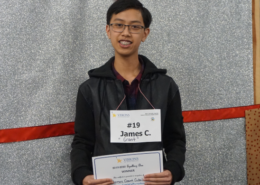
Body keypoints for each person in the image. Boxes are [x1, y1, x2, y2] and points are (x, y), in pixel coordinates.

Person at [70, 0, 186, 184]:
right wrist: (82, 176)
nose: (125, 32)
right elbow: (82, 143)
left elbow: (175, 140)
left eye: (134, 27)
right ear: (108, 30)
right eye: (118, 25)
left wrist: (173, 170)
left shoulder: (166, 86)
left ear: (145, 33)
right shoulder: (89, 89)